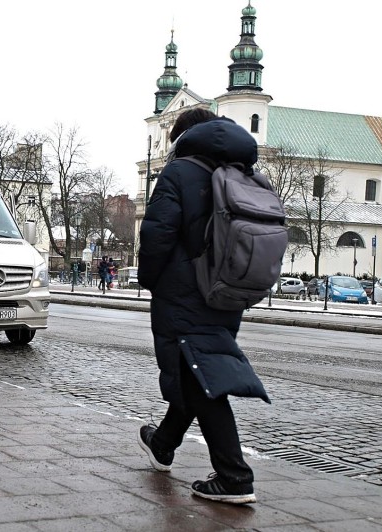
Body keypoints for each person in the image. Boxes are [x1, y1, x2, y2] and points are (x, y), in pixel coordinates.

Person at [136, 108, 269, 505]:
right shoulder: (243, 174)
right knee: (197, 368)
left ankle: (234, 476)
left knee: (199, 377)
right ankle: (163, 444)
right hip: (230, 291)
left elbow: (158, 233)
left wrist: (150, 280)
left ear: (184, 138)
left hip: (185, 289)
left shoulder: (179, 173)